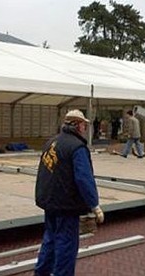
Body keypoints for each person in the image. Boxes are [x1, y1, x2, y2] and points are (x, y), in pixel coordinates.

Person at [35, 109, 104, 276]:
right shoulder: (77, 147)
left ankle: (41, 272)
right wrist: (94, 205)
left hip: (49, 202)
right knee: (66, 244)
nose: (85, 128)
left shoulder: (52, 142)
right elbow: (84, 178)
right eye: (84, 125)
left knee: (50, 240)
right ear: (77, 125)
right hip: (66, 205)